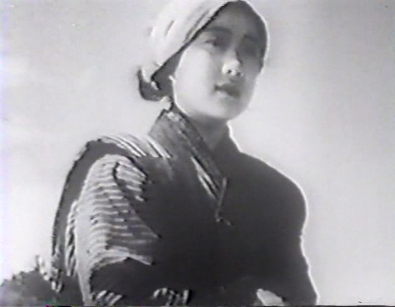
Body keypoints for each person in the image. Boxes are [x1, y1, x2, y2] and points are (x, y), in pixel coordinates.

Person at [49, 0, 318, 305]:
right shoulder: (124, 170)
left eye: (250, 49)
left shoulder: (276, 196)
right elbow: (117, 298)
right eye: (215, 43)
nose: (235, 66)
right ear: (172, 62)